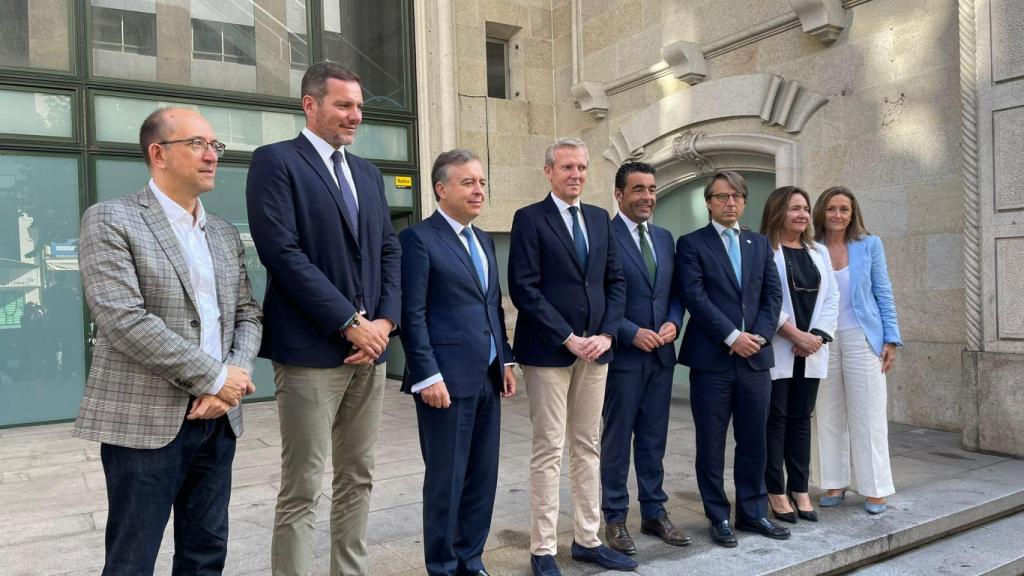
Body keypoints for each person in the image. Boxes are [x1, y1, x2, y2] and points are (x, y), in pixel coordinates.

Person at [73, 108, 262, 575]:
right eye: (198, 144)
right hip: (145, 422)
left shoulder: (221, 232)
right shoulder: (110, 219)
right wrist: (216, 377)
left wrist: (232, 381)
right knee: (132, 559)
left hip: (218, 422)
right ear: (158, 153)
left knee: (205, 553)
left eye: (215, 146)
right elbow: (123, 320)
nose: (212, 156)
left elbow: (246, 313)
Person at [246, 62, 402, 575]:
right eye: (343, 105)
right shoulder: (276, 162)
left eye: (359, 106)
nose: (355, 115)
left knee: (358, 477)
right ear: (309, 105)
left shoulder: (367, 173)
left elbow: (388, 251)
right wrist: (347, 321)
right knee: (304, 486)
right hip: (312, 353)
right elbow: (282, 253)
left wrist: (384, 323)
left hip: (370, 351)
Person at [508, 137, 632, 576]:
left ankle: (587, 538)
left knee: (588, 445)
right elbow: (524, 289)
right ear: (549, 172)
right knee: (550, 448)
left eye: (581, 167)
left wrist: (606, 334)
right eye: (567, 168)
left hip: (595, 351)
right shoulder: (529, 219)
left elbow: (616, 283)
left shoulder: (600, 219)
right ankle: (542, 548)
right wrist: (567, 337)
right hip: (548, 353)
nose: (576, 175)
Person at [399, 149, 517, 576]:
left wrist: (505, 360)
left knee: (483, 476)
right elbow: (412, 314)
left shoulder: (483, 239)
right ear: (440, 189)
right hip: (443, 382)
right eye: (468, 182)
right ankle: (443, 566)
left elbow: (493, 307)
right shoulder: (418, 239)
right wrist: (427, 374)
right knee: (447, 481)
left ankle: (472, 559)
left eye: (482, 182)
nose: (478, 190)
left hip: (486, 375)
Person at [674, 170, 787, 547]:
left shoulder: (759, 243)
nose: (730, 203)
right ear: (708, 202)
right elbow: (695, 296)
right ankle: (718, 515)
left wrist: (761, 335)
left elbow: (773, 295)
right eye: (721, 196)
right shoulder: (692, 244)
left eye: (736, 196)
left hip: (755, 359)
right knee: (711, 442)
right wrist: (731, 336)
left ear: (744, 201)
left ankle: (753, 513)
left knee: (754, 440)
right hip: (712, 361)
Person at [601, 162, 690, 554]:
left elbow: (673, 292)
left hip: (661, 357)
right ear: (619, 194)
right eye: (638, 189)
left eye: (652, 189)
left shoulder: (665, 237)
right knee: (617, 440)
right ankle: (615, 518)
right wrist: (629, 332)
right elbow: (598, 297)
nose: (648, 197)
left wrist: (674, 322)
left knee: (654, 439)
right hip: (623, 356)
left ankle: (654, 512)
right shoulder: (603, 235)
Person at [812, 186, 902, 515]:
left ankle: (876, 487)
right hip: (822, 340)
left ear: (853, 214)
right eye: (832, 208)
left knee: (869, 415)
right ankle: (834, 481)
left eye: (844, 209)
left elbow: (883, 292)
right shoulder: (812, 248)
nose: (838, 215)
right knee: (828, 413)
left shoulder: (869, 245)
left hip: (863, 339)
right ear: (821, 212)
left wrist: (891, 339)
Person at [759, 186, 839, 524]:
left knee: (801, 420)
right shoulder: (764, 249)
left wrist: (816, 337)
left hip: (812, 348)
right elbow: (763, 297)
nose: (803, 214)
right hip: (781, 345)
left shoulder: (818, 250)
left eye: (805, 208)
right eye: (794, 208)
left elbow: (832, 297)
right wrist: (792, 333)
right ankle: (776, 489)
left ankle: (800, 488)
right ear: (778, 211)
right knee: (775, 420)